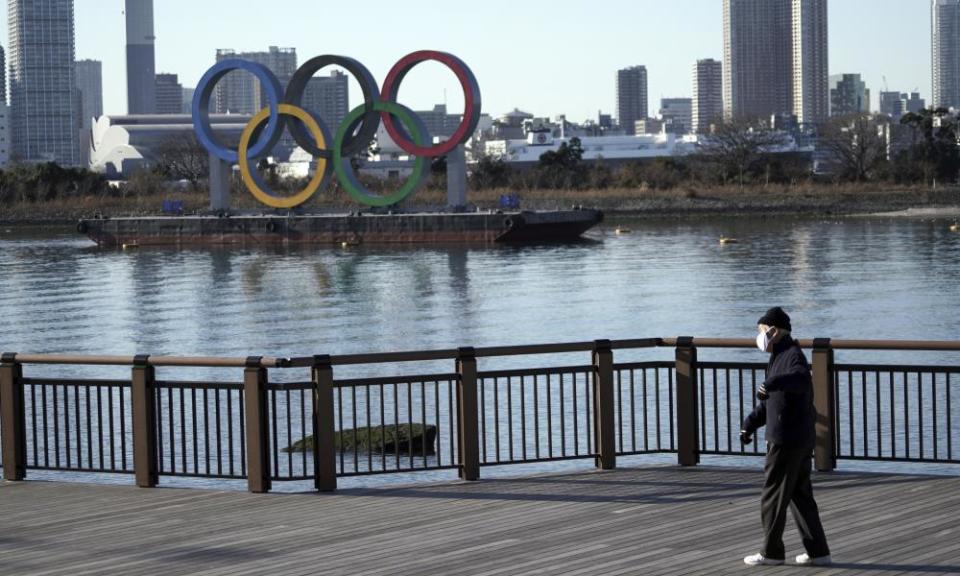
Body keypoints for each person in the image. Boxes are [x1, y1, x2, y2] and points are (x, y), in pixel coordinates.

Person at [740, 307, 831, 567]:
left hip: (787, 441)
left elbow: (799, 379)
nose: (758, 337)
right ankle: (819, 553)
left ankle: (771, 553)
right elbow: (774, 402)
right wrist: (750, 424)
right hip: (797, 438)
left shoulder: (792, 356)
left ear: (773, 330)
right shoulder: (779, 355)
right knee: (800, 496)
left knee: (773, 495)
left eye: (760, 331)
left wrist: (771, 383)